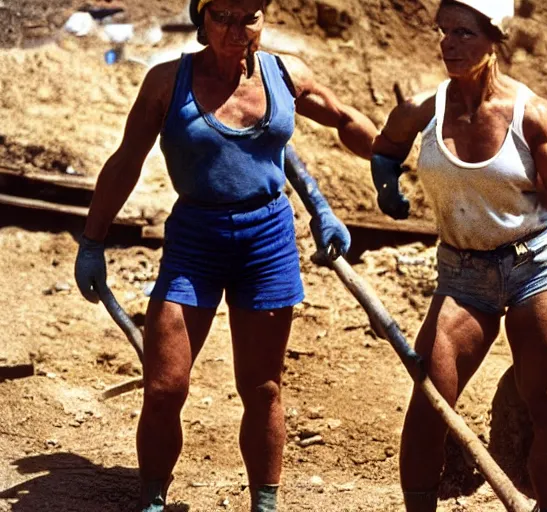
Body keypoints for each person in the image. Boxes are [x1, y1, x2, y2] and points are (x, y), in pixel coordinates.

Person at [74, 0, 377, 510]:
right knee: (165, 388)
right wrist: (92, 240)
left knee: (262, 389)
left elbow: (346, 119)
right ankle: (152, 500)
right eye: (223, 17)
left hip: (268, 242)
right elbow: (126, 161)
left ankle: (265, 503)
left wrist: (390, 160)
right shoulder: (166, 83)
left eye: (249, 16)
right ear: (202, 18)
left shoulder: (285, 74)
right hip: (195, 239)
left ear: (264, 17)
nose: (237, 30)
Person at [370, 1, 547, 511]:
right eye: (443, 32)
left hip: (534, 270)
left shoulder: (534, 117)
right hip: (462, 276)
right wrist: (385, 181)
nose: (448, 44)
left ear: (494, 39)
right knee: (430, 405)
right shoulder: (425, 109)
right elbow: (386, 143)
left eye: (463, 32)